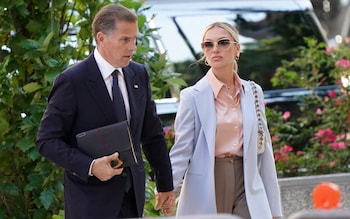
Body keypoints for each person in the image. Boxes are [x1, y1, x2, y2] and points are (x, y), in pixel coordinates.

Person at [35, 3, 175, 219]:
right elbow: (46, 141)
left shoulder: (138, 74)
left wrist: (165, 184)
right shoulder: (73, 81)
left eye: (134, 39)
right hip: (90, 203)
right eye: (125, 40)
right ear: (101, 38)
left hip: (132, 198)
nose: (133, 47)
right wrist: (90, 166)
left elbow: (152, 133)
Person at [169, 21, 283, 219]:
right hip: (209, 180)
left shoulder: (254, 92)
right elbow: (182, 150)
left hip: (247, 180)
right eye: (208, 44)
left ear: (237, 48)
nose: (215, 49)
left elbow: (264, 150)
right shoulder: (192, 96)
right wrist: (167, 188)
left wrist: (274, 209)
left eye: (223, 42)